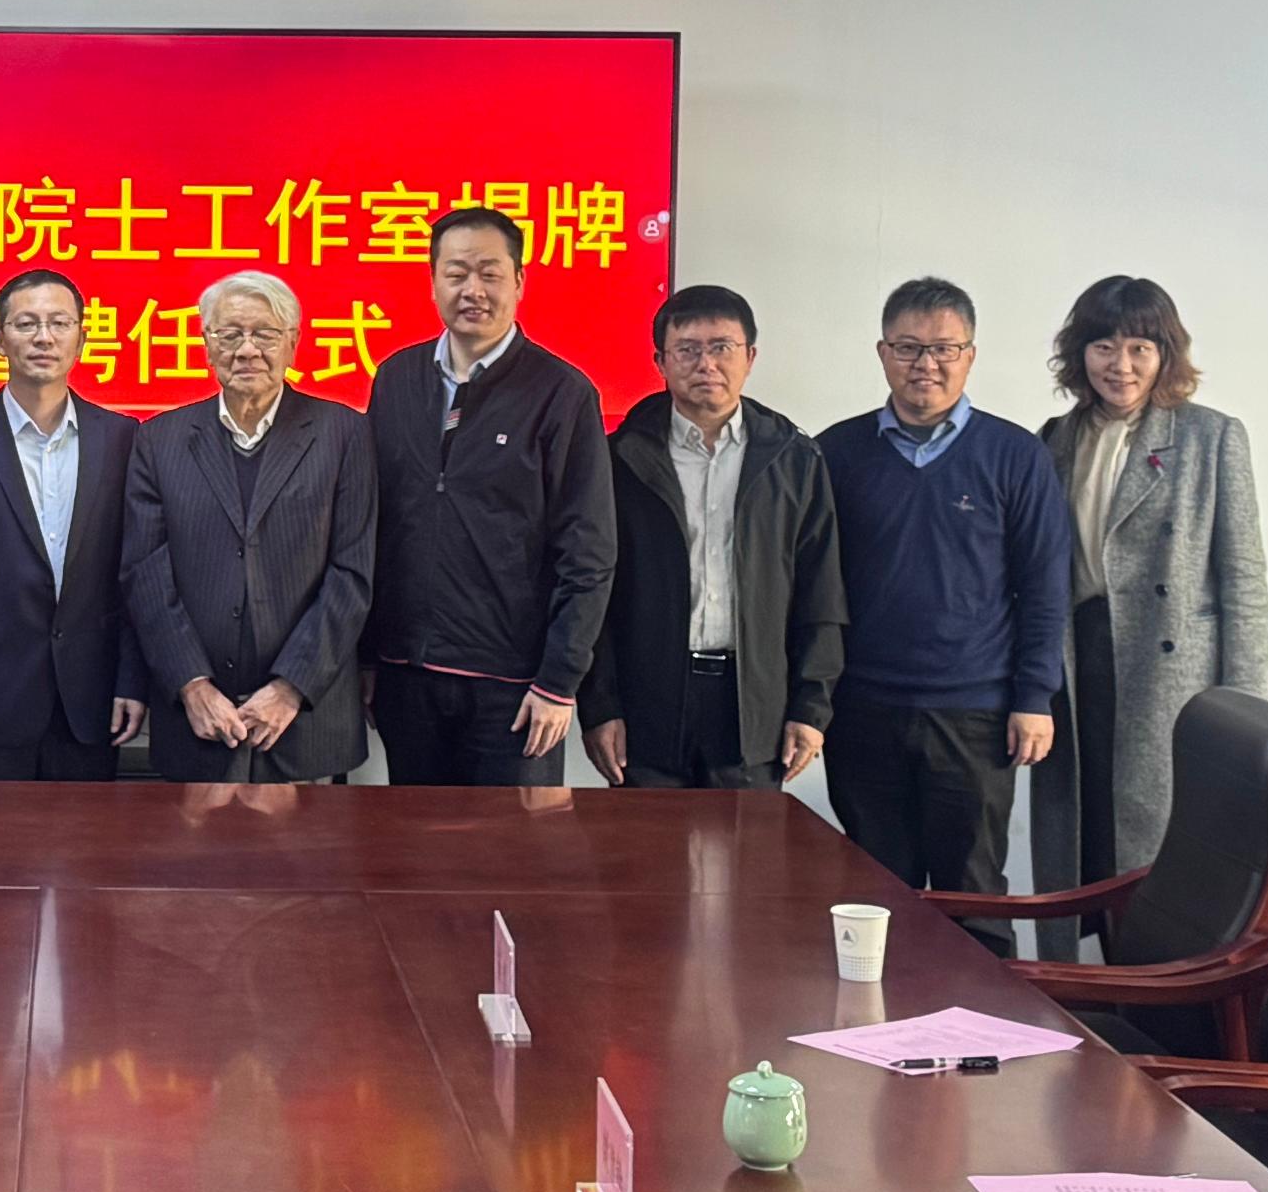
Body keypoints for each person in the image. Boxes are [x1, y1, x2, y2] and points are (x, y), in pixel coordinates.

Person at [817, 277, 1068, 952]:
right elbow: (808, 586)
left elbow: (1045, 586)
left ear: (970, 356)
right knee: (873, 894)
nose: (925, 363)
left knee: (973, 896)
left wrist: (1034, 697)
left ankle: (982, 1020)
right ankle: (876, 1018)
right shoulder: (835, 453)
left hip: (975, 711)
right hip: (862, 708)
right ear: (882, 353)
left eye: (943, 348)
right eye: (907, 347)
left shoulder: (1016, 455)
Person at [1032, 275, 1268, 955]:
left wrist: (1251, 717)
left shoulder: (1210, 437)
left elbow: (1244, 580)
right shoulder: (1053, 439)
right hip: (1077, 660)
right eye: (1104, 346)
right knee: (1085, 839)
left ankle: (1162, 994)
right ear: (1079, 353)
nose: (1121, 365)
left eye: (1140, 347)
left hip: (1170, 676)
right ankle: (1087, 993)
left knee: (1165, 853)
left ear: (1166, 354)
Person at [362, 205, 615, 785]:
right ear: (433, 282)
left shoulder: (562, 392)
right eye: (455, 273)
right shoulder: (396, 379)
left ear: (519, 281)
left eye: (489, 273)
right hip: (407, 674)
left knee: (513, 842)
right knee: (408, 837)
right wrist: (366, 656)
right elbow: (372, 525)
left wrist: (559, 682)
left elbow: (588, 552)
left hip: (515, 688)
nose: (472, 290)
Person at [581, 286, 844, 790]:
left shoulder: (793, 460)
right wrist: (600, 706)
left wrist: (811, 707)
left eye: (722, 347)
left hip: (754, 704)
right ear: (660, 361)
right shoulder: (619, 460)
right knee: (646, 840)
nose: (707, 364)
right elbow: (597, 593)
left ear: (750, 357)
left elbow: (821, 591)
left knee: (748, 840)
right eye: (688, 349)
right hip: (647, 700)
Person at [123, 270, 377, 784]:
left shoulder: (344, 434)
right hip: (196, 721)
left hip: (307, 723)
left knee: (313, 841)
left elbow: (352, 575)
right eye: (229, 334)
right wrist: (192, 685)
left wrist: (290, 688)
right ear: (206, 344)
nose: (246, 349)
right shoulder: (160, 439)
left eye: (264, 333)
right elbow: (145, 574)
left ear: (293, 343)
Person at [0, 269, 147, 782]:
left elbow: (134, 574)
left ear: (82, 338)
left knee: (90, 833)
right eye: (26, 324)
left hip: (92, 700)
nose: (44, 337)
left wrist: (132, 680)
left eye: (59, 323)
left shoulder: (122, 439)